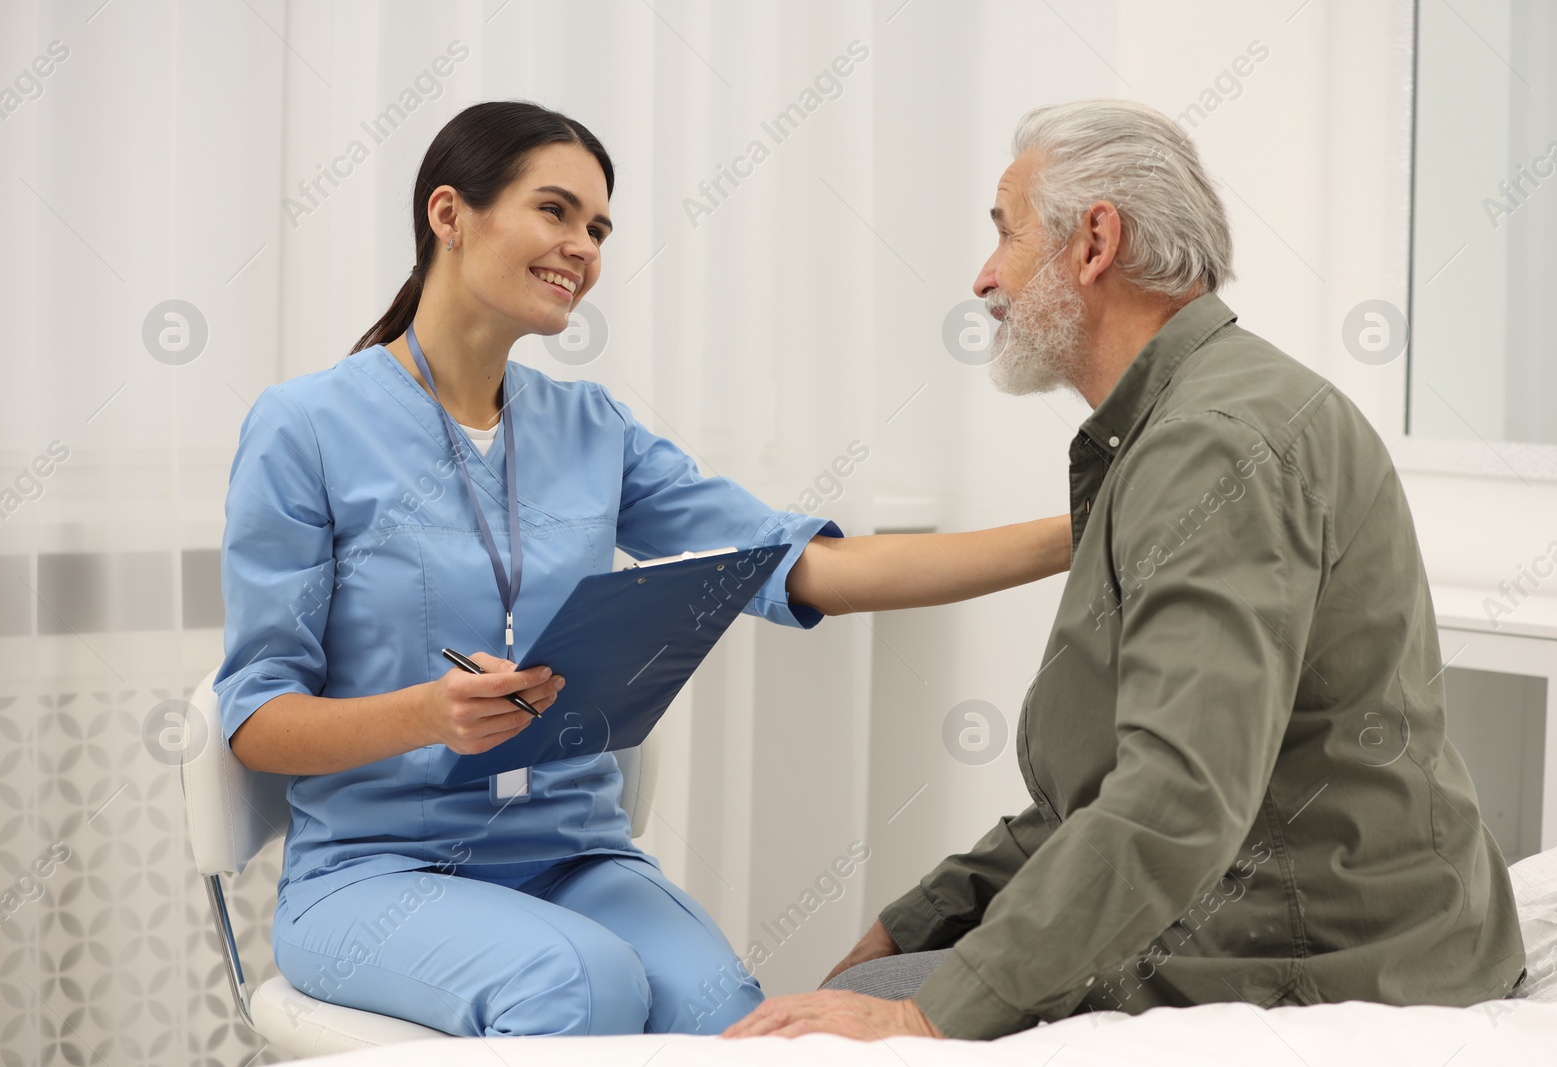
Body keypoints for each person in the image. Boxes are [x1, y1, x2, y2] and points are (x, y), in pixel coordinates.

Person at [216, 100, 1075, 1038]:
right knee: (582, 985)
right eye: (556, 211)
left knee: (735, 1018)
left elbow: (809, 567)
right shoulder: (305, 428)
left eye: (598, 228)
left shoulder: (591, 430)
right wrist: (427, 715)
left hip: (571, 853)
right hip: (374, 875)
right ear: (450, 214)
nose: (582, 247)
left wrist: (1080, 530)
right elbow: (257, 720)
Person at [726, 98, 1526, 1042]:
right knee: (893, 961)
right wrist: (925, 914)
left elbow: (1175, 798)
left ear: (1094, 241)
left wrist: (924, 1013)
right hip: (1316, 907)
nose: (985, 278)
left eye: (1006, 233)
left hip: (1326, 951)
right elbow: (1107, 779)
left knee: (846, 1020)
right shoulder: (1188, 421)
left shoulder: (1210, 448)